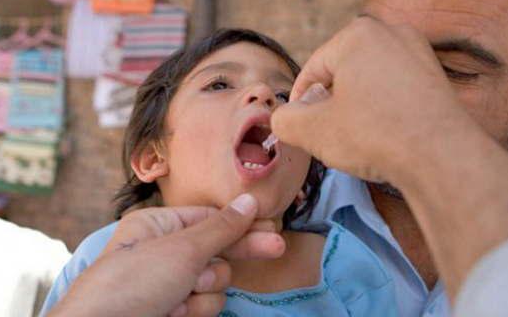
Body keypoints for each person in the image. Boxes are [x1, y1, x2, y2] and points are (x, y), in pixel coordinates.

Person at [48, 0, 508, 316]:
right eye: (378, 53)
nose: (396, 93)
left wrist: (432, 153)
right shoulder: (122, 260)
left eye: (453, 70)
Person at [42, 29, 398, 317]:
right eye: (219, 85)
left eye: (283, 94)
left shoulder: (347, 269)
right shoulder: (108, 258)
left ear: (302, 181)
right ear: (153, 158)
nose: (262, 94)